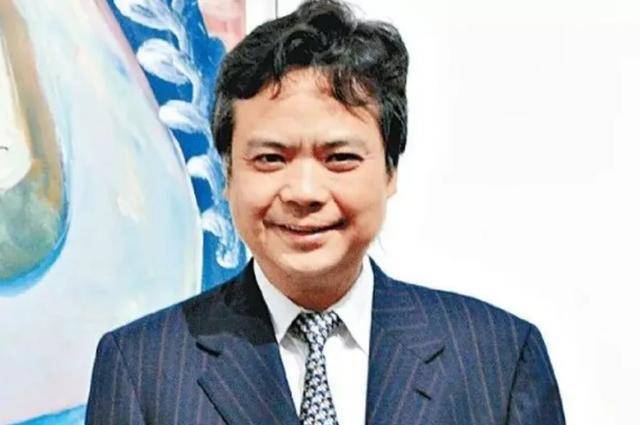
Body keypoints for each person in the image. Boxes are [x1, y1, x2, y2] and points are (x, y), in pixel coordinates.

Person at [86, 1, 565, 423]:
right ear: (228, 175)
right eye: (270, 158)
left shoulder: (498, 357)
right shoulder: (142, 367)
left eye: (339, 158)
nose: (304, 192)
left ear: (390, 171)